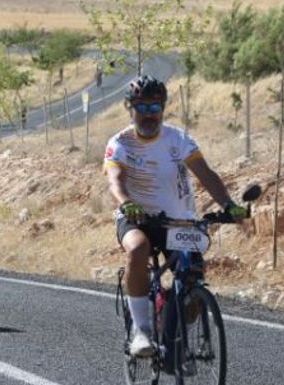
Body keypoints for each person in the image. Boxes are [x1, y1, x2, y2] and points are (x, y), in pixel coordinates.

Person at [104, 75, 247, 358]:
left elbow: (206, 174)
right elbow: (115, 180)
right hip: (137, 217)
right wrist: (126, 202)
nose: (148, 115)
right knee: (137, 248)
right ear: (129, 108)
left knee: (193, 284)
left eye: (155, 108)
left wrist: (228, 204)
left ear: (163, 108)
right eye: (141, 108)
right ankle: (142, 331)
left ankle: (168, 317)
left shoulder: (178, 139)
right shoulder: (120, 143)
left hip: (178, 222)